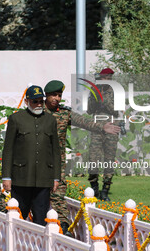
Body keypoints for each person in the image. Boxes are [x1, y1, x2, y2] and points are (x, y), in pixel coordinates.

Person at [43, 80, 121, 233]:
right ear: (46, 95)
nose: (57, 98)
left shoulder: (64, 113)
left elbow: (84, 121)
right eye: (54, 95)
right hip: (37, 164)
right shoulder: (38, 113)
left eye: (59, 95)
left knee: (58, 195)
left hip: (57, 165)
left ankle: (64, 227)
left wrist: (102, 127)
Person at [2, 85, 61, 226]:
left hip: (43, 178)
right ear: (27, 101)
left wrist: (56, 177)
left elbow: (55, 151)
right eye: (35, 101)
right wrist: (6, 176)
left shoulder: (50, 120)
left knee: (41, 220)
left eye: (41, 101)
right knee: (19, 218)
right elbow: (8, 149)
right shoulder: (16, 119)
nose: (39, 104)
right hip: (21, 178)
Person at [87, 68, 120, 202]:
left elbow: (116, 110)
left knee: (109, 160)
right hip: (97, 127)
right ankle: (94, 188)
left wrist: (103, 98)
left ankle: (105, 190)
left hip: (112, 127)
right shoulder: (94, 89)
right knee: (93, 159)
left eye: (107, 77)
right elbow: (89, 110)